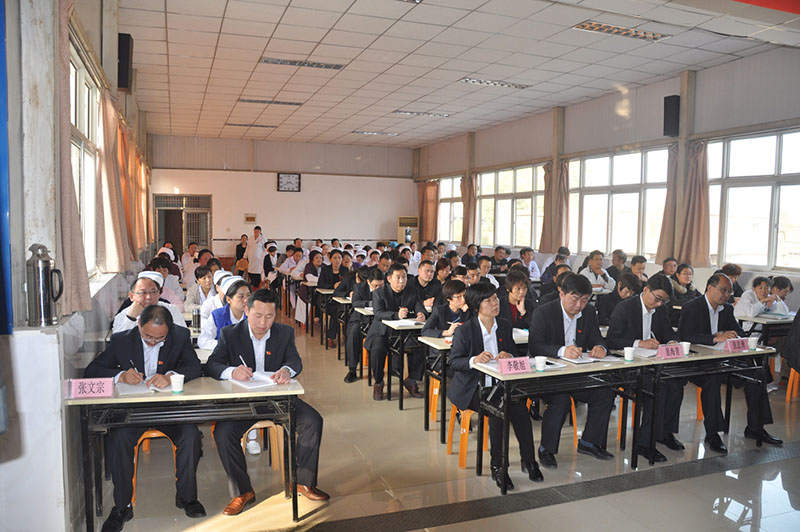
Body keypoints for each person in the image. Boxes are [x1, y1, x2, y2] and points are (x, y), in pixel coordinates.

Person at [206, 289, 328, 513]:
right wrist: (232, 372)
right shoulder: (230, 334)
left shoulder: (284, 333)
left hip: (276, 399)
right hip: (242, 401)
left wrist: (286, 370)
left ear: (276, 314)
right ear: (246, 311)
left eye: (269, 316)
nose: (263, 323)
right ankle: (243, 491)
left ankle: (302, 481)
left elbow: (295, 361)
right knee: (223, 433)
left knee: (312, 420)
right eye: (257, 316)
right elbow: (213, 364)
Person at [86, 305, 205, 531]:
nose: (152, 342)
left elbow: (195, 367)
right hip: (134, 410)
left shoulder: (180, 336)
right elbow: (92, 371)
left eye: (159, 339)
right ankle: (122, 506)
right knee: (118, 438)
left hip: (168, 408)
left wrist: (170, 376)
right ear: (139, 325)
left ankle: (187, 497)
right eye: (148, 336)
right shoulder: (122, 340)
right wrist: (120, 376)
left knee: (190, 434)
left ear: (169, 331)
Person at [448, 282, 543, 490]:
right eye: (489, 300)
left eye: (495, 298)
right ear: (476, 306)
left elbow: (514, 353)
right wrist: (474, 359)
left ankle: (529, 461)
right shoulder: (465, 331)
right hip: (474, 388)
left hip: (501, 386)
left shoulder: (505, 325)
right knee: (499, 411)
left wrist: (508, 355)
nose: (495, 303)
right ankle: (498, 466)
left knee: (520, 410)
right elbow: (453, 362)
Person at [679, 273, 782, 448]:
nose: (727, 295)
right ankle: (713, 434)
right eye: (723, 290)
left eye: (729, 292)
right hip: (698, 362)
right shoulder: (692, 307)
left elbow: (738, 332)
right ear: (710, 288)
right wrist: (714, 337)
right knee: (712, 380)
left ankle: (756, 428)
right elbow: (685, 336)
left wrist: (735, 337)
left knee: (756, 375)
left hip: (723, 360)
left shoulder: (726, 309)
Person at [528, 273, 615, 467]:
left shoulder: (589, 312)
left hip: (577, 374)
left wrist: (601, 347)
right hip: (550, 375)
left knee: (604, 394)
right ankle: (546, 449)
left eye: (584, 300)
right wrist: (562, 351)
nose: (579, 305)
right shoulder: (544, 312)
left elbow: (596, 337)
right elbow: (536, 346)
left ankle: (589, 442)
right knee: (561, 401)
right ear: (561, 293)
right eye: (574, 299)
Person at [606, 275, 684, 462]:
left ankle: (664, 432)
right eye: (657, 298)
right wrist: (639, 343)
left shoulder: (660, 309)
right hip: (628, 367)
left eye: (664, 301)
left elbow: (668, 333)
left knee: (676, 383)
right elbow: (611, 341)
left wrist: (672, 342)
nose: (659, 304)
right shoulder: (625, 308)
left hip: (652, 364)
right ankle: (644, 443)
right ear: (646, 290)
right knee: (658, 387)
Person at [365, 264, 426, 401]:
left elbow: (419, 306)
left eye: (404, 277)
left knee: (421, 346)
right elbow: (378, 314)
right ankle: (379, 382)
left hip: (405, 333)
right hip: (383, 332)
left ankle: (411, 380)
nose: (401, 281)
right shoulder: (379, 293)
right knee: (378, 348)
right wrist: (396, 315)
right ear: (389, 279)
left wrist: (421, 314)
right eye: (397, 277)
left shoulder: (412, 291)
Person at [344, 268, 384, 383]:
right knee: (353, 333)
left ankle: (387, 368)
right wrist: (370, 303)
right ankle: (352, 369)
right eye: (375, 286)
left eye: (380, 285)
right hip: (361, 319)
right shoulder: (359, 287)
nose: (378, 288)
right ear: (368, 282)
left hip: (378, 320)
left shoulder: (386, 288)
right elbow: (355, 302)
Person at [112, 272, 187, 334]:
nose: (148, 297)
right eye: (143, 292)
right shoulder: (122, 316)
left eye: (153, 292)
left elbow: (182, 337)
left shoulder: (172, 310)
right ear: (131, 296)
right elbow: (118, 343)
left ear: (159, 294)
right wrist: (131, 319)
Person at [197, 276, 250, 350]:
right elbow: (203, 341)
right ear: (228, 299)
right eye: (241, 296)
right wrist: (226, 345)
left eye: (248, 295)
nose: (246, 300)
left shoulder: (253, 315)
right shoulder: (218, 315)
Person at [319, 249, 349, 348]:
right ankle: (331, 338)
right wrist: (333, 286)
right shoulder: (325, 269)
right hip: (328, 300)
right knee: (336, 312)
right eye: (335, 258)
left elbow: (349, 285)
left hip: (341, 299)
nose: (337, 260)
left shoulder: (345, 270)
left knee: (347, 311)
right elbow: (320, 284)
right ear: (330, 259)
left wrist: (341, 286)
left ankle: (347, 335)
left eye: (339, 258)